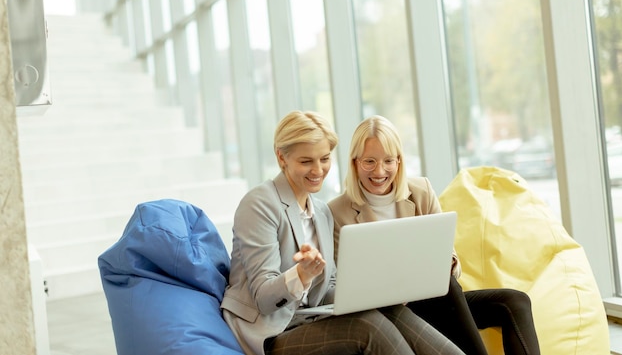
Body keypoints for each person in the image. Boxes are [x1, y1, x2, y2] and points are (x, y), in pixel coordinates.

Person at [221, 110, 466, 355]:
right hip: (272, 333)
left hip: (310, 319)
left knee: (390, 309)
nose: (318, 170)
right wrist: (300, 275)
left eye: (325, 158)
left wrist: (374, 289)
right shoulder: (260, 204)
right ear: (281, 158)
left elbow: (330, 288)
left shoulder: (321, 212)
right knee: (369, 327)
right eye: (306, 161)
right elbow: (264, 299)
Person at [328, 115, 541, 355]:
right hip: (391, 313)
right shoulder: (336, 212)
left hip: (437, 299)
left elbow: (451, 259)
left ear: (399, 161)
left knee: (515, 301)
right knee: (447, 288)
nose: (379, 171)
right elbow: (346, 284)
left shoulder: (421, 192)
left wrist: (448, 262)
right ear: (355, 162)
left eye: (388, 160)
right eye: (369, 161)